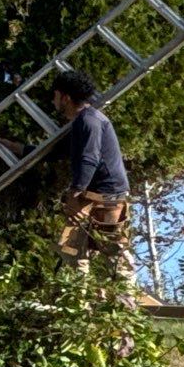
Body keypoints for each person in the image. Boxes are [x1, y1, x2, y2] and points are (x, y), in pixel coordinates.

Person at [51, 69, 131, 268]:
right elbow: (58, 151)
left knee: (114, 255)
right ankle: (80, 295)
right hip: (95, 195)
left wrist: (74, 192)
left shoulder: (89, 121)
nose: (53, 101)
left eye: (55, 95)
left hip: (107, 197)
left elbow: (90, 159)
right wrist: (18, 148)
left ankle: (127, 296)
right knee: (75, 252)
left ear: (65, 98)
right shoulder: (82, 122)